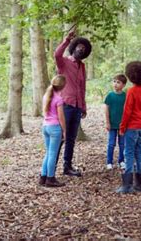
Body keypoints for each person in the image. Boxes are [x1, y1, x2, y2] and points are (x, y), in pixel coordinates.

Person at [54, 31, 92, 177]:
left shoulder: (82, 67)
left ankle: (67, 167)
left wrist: (83, 106)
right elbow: (56, 54)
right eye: (79, 46)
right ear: (74, 47)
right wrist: (66, 41)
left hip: (76, 107)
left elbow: (82, 88)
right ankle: (51, 168)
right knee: (60, 137)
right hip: (64, 105)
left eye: (83, 48)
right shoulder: (64, 62)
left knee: (71, 138)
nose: (80, 49)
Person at [116, 61, 141, 194]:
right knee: (138, 153)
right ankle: (139, 183)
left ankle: (127, 185)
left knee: (128, 153)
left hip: (132, 127)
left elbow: (127, 111)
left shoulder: (131, 91)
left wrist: (122, 126)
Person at [39, 75, 67, 187]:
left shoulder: (46, 95)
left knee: (48, 153)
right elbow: (61, 117)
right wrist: (64, 130)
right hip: (55, 128)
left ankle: (43, 177)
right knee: (52, 154)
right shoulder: (58, 99)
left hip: (45, 126)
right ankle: (50, 178)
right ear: (63, 86)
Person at [104, 74, 127, 170]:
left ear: (123, 85)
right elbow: (106, 108)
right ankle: (109, 162)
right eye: (114, 81)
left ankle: (121, 161)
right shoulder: (110, 95)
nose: (115, 84)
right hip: (112, 124)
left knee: (122, 143)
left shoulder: (125, 96)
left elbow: (127, 110)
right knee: (111, 143)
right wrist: (107, 122)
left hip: (122, 124)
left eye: (118, 82)